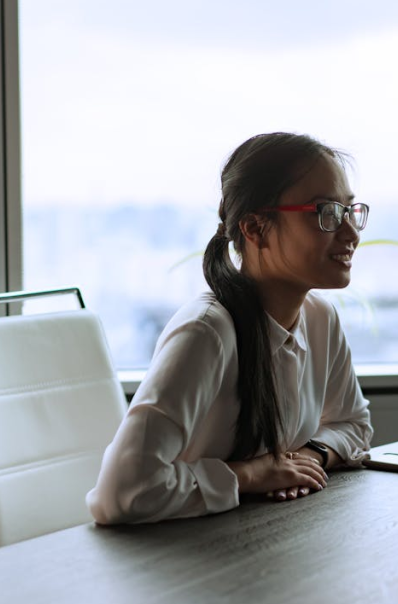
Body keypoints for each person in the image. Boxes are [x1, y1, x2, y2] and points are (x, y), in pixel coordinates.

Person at [87, 132, 373, 524]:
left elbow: (353, 423)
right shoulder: (205, 333)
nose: (351, 233)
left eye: (348, 210)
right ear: (254, 228)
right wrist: (253, 475)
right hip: (179, 565)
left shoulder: (320, 318)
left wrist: (307, 458)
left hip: (257, 542)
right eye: (325, 211)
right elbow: (121, 493)